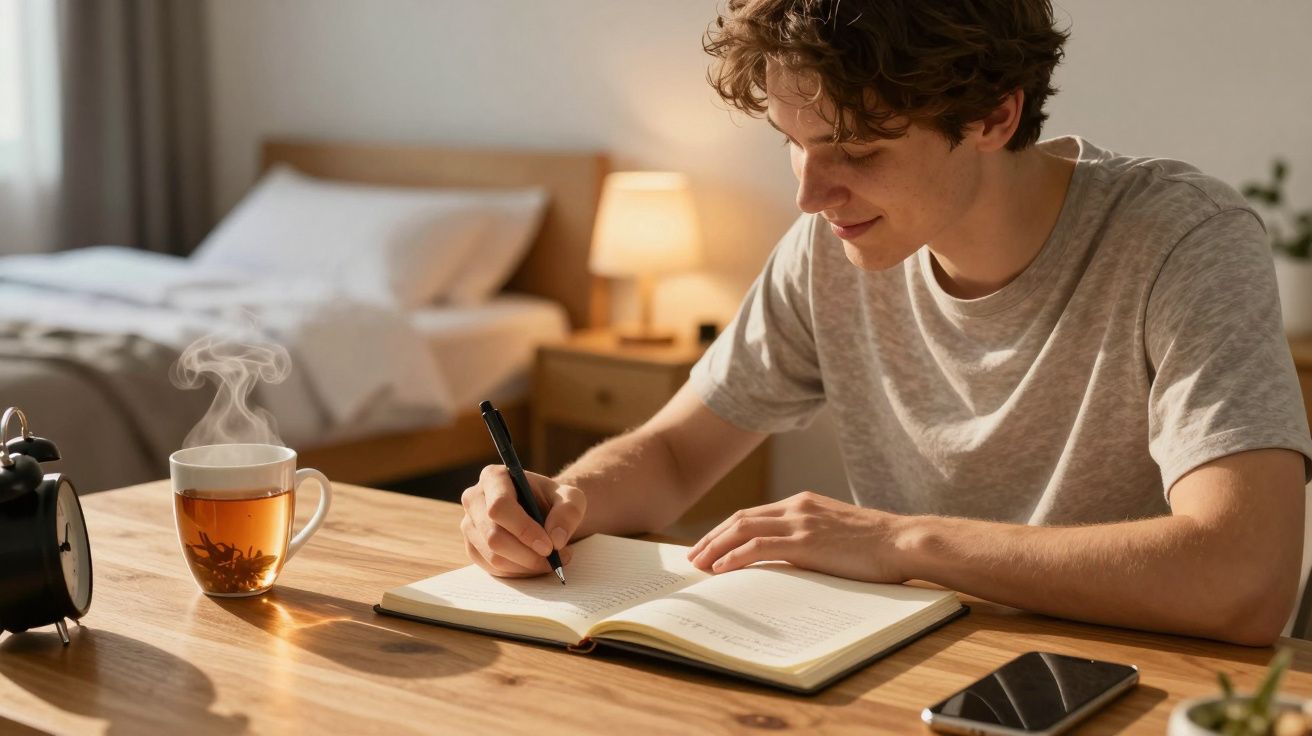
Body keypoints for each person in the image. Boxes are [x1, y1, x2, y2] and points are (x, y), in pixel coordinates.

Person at [459, 0, 1311, 646]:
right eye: (792, 141)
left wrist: (900, 542)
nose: (808, 194)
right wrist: (565, 500)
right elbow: (678, 454)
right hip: (903, 663)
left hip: (1125, 680)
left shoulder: (1182, 240)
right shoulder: (829, 247)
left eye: (857, 152)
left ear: (994, 116)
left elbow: (1246, 578)